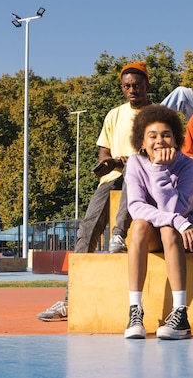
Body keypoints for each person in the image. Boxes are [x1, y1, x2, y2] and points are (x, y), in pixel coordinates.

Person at [37, 61, 152, 322]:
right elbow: (104, 150)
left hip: (143, 178)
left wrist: (127, 161)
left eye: (136, 85)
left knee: (132, 174)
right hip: (111, 179)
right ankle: (70, 300)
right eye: (127, 86)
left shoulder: (156, 113)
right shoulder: (114, 114)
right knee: (85, 233)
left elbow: (157, 150)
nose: (132, 89)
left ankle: (118, 235)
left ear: (146, 85)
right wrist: (104, 164)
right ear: (122, 88)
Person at [123, 104, 193, 339]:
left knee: (168, 229)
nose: (159, 141)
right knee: (140, 225)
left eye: (166, 135)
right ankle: (135, 310)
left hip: (190, 230)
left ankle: (180, 314)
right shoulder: (134, 163)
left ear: (175, 139)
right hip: (164, 227)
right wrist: (174, 220)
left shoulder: (188, 165)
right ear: (142, 142)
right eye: (152, 136)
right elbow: (135, 207)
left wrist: (160, 170)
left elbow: (176, 208)